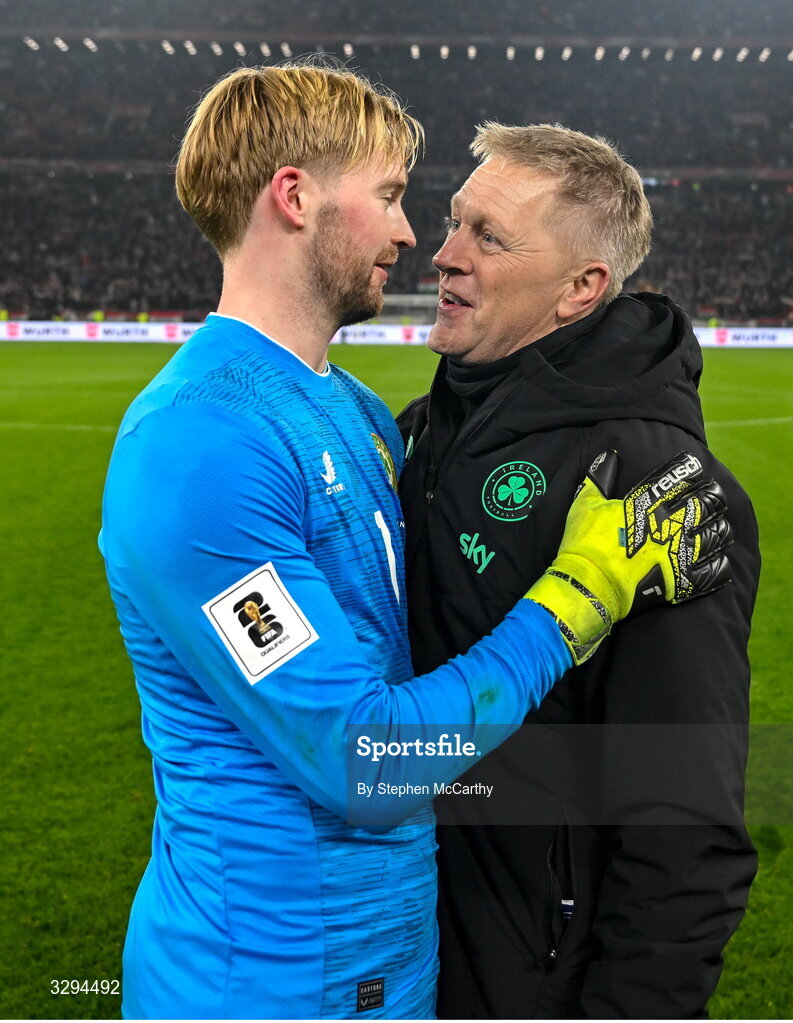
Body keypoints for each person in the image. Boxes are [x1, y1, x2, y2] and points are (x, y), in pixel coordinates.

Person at [99, 67, 732, 1020]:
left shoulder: (364, 418)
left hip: (398, 969)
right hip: (261, 984)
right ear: (295, 195)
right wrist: (573, 601)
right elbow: (365, 762)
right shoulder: (198, 448)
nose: (414, 237)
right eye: (394, 197)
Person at [398, 122, 761, 1019]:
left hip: (537, 975)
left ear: (580, 288)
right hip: (406, 948)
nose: (440, 256)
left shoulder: (654, 489)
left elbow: (684, 825)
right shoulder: (422, 429)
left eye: (488, 236)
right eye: (452, 222)